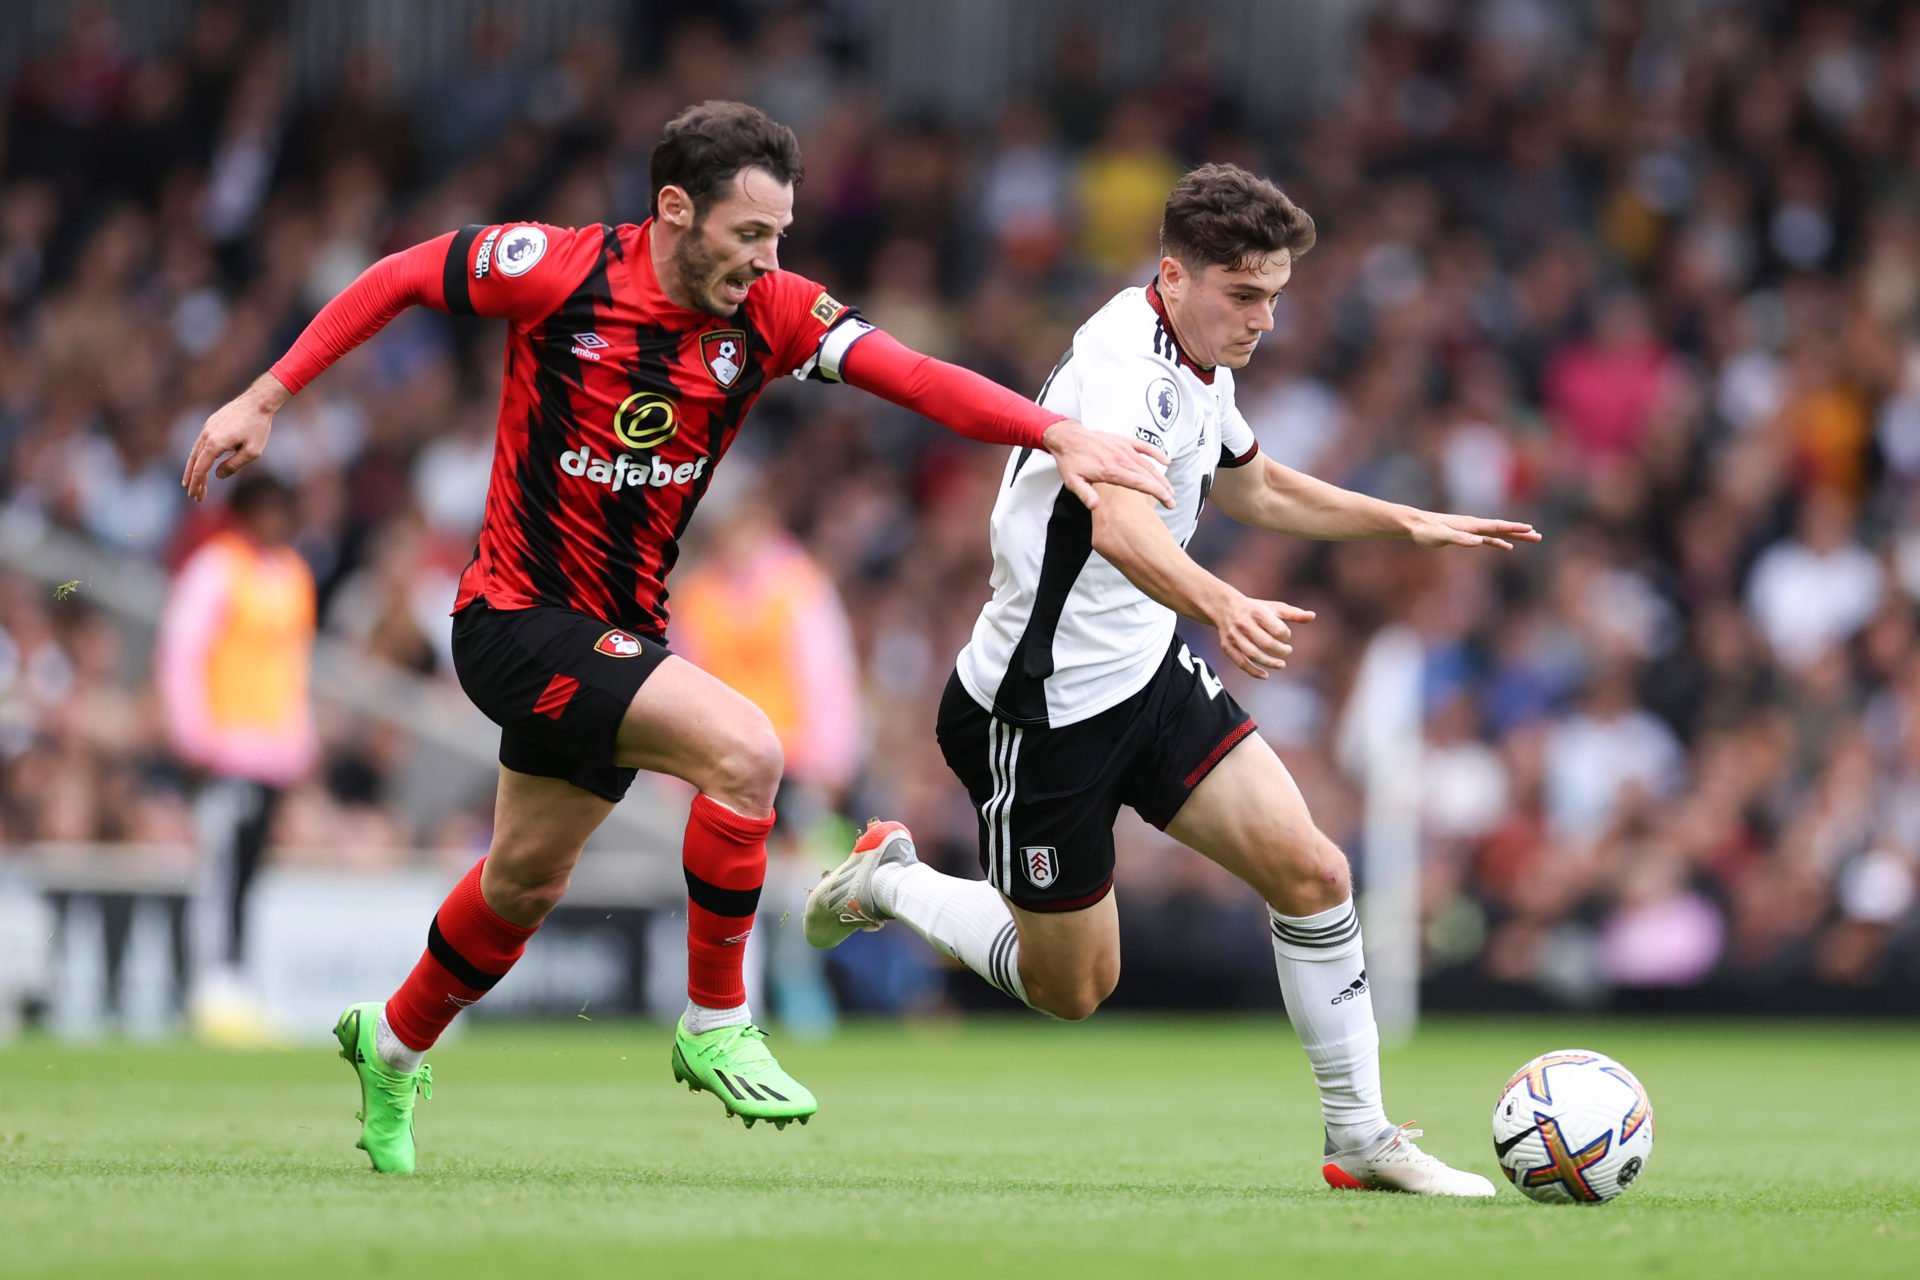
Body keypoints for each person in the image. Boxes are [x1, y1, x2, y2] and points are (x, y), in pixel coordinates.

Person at [180, 100, 1174, 1174]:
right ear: (673, 209)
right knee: (747, 751)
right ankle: (713, 1019)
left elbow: (917, 376)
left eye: (780, 234)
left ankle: (395, 1037)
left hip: (614, 631)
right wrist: (266, 393)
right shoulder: (554, 270)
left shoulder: (774, 314)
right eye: (749, 233)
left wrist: (1055, 428)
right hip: (513, 619)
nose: (768, 257)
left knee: (522, 881)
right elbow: (402, 275)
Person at [804, 163, 1540, 1196]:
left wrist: (1404, 519)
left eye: (1276, 295)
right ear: (1174, 277)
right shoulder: (1122, 371)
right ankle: (890, 877)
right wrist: (1223, 603)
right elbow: (1119, 524)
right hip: (1038, 712)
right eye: (1244, 294)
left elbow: (1261, 484)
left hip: (1143, 675)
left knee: (1317, 873)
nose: (1264, 318)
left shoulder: (1194, 359)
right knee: (1075, 987)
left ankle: (1362, 1136)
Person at [154, 471, 316, 1046]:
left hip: (271, 754)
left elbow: (294, 670)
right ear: (245, 514)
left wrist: (300, 745)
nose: (276, 521)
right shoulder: (216, 569)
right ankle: (211, 988)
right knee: (220, 870)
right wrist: (194, 737)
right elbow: (182, 654)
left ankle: (234, 984)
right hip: (222, 750)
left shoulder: (295, 576)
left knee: (247, 873)